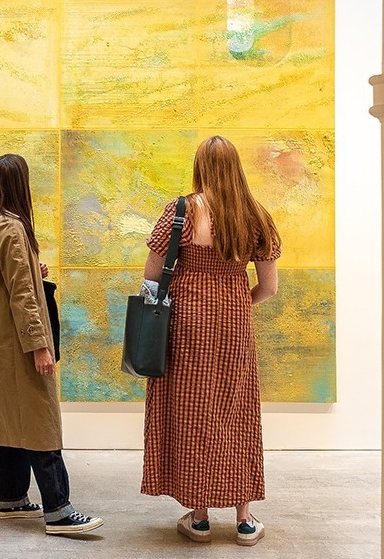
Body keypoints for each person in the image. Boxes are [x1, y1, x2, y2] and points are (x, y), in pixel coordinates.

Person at [140, 135, 281, 546]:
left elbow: (151, 276)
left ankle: (199, 516)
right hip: (235, 324)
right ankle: (244, 520)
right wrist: (236, 303)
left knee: (193, 410)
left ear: (200, 166)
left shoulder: (182, 210)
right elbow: (268, 287)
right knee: (237, 411)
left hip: (186, 324)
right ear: (236, 166)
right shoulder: (256, 216)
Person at [0, 153, 104, 536]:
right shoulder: (12, 228)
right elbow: (23, 296)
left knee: (4, 419)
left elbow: (6, 277)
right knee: (38, 419)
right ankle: (58, 510)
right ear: (21, 184)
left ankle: (8, 499)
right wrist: (40, 347)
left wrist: (31, 265)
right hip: (17, 346)